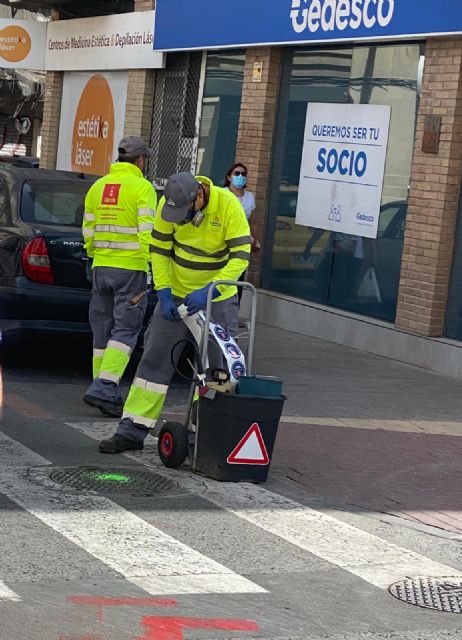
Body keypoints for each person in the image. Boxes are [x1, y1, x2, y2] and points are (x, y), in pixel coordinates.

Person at [98, 171, 251, 453]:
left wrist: (212, 290)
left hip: (216, 300)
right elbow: (159, 249)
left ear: (200, 196)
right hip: (177, 295)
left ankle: (201, 437)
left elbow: (241, 256)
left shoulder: (228, 205)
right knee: (153, 361)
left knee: (217, 372)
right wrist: (165, 292)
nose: (178, 217)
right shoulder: (168, 205)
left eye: (184, 211)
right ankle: (131, 430)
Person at [82, 136, 157, 418]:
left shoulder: (97, 186)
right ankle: (104, 386)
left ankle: (101, 389)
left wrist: (96, 255)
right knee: (125, 329)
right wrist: (156, 268)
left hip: (100, 267)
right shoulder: (142, 187)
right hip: (131, 268)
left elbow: (88, 230)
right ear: (140, 160)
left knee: (102, 329)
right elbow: (147, 232)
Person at [224, 162, 260, 302]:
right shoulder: (223, 194)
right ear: (229, 177)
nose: (240, 176)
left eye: (243, 174)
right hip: (225, 243)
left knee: (238, 278)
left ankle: (234, 310)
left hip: (243, 243)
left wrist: (255, 242)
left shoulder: (249, 197)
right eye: (237, 174)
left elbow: (253, 222)